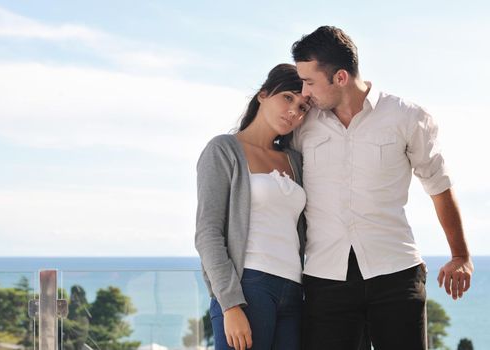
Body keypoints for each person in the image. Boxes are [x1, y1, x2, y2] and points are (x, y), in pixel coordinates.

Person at [290, 26, 474, 350]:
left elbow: (439, 186)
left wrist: (460, 254)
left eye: (309, 82)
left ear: (341, 78)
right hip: (325, 279)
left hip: (396, 274)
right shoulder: (303, 125)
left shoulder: (406, 117)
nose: (304, 93)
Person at [195, 63, 311, 350]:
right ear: (262, 95)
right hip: (249, 287)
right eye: (287, 97)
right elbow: (208, 233)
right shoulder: (223, 150)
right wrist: (230, 304)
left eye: (302, 107)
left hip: (294, 292)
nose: (294, 111)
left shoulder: (295, 160)